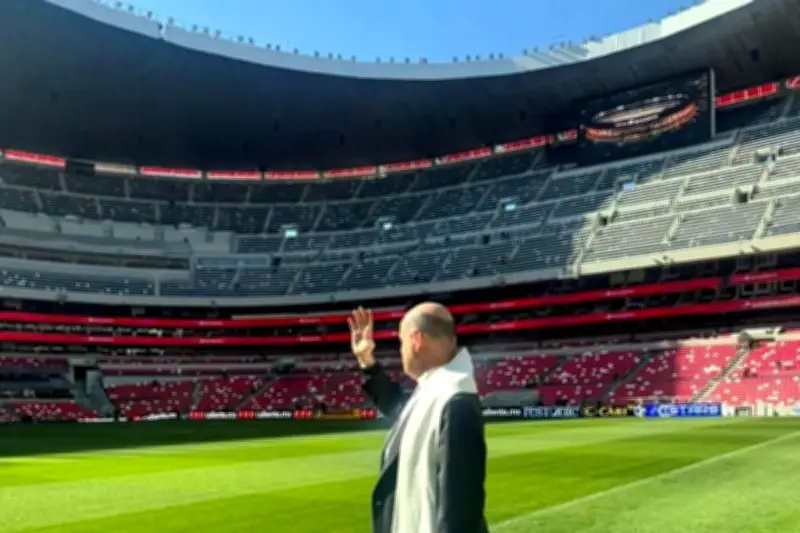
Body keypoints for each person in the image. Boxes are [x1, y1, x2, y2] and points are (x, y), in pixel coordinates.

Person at [348, 303, 488, 533]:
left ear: (416, 340)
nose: (400, 351)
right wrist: (367, 361)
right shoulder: (438, 388)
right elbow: (401, 410)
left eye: (401, 343)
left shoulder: (454, 401)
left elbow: (459, 516)